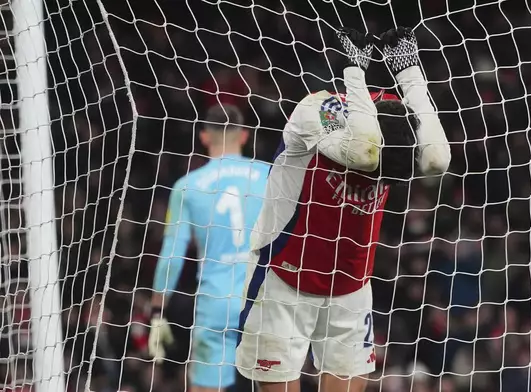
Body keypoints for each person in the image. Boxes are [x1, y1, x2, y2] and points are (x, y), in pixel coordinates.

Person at [235, 27, 451, 392]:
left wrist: (410, 73)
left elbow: (436, 158)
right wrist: (354, 69)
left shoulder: (396, 117)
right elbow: (363, 154)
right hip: (286, 277)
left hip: (350, 286)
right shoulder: (316, 110)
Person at [149, 104, 270, 392]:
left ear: (204, 137)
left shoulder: (187, 186)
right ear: (244, 136)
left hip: (216, 301)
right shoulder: (270, 175)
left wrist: (156, 313)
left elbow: (172, 255)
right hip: (265, 300)